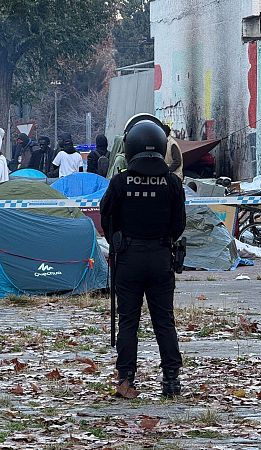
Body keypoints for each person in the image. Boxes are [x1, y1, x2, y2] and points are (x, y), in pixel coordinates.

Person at [100, 114, 186, 399]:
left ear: (130, 147)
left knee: (128, 322)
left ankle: (126, 378)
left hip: (129, 259)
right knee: (164, 321)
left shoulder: (121, 182)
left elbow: (106, 215)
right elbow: (179, 224)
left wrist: (119, 238)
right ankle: (171, 380)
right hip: (161, 257)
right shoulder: (172, 184)